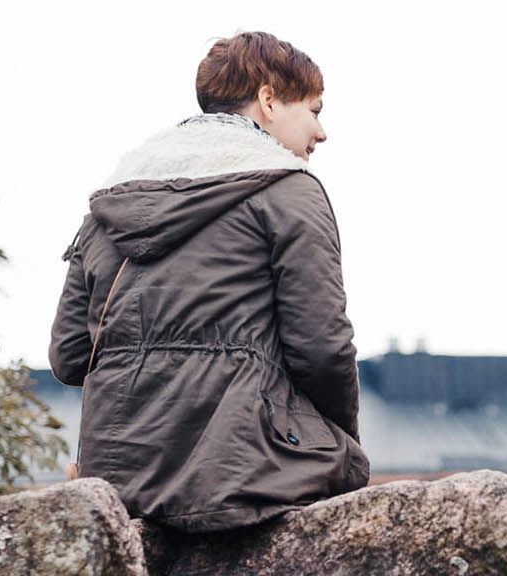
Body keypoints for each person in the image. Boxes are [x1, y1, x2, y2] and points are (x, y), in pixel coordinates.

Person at [49, 31, 367, 532]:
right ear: (267, 100)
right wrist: (342, 442)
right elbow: (322, 347)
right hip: (243, 473)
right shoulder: (291, 191)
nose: (321, 133)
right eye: (314, 110)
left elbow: (69, 357)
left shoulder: (109, 203)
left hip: (117, 483)